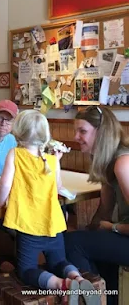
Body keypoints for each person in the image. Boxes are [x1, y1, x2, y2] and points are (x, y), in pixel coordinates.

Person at [0, 110, 100, 304]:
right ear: (45, 135)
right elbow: (58, 188)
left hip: (29, 225)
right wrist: (56, 161)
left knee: (26, 270)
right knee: (58, 261)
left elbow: (5, 184)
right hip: (54, 224)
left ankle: (61, 285)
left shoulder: (15, 154)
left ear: (18, 132)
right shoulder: (51, 160)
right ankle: (77, 278)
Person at [65, 106, 129, 305]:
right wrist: (91, 229)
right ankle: (106, 300)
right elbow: (105, 209)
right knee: (85, 240)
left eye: (82, 131)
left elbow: (107, 221)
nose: (76, 137)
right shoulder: (107, 161)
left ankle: (95, 300)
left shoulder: (123, 163)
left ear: (100, 133)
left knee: (72, 243)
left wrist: (113, 228)